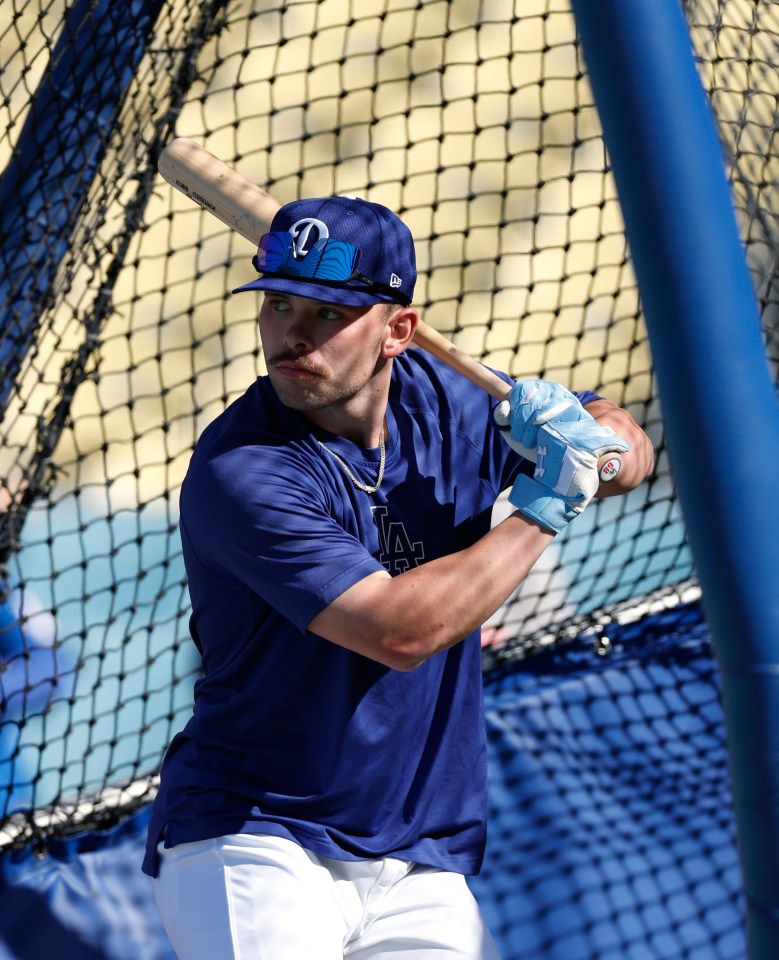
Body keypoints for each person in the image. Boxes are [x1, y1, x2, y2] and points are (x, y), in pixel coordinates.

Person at [143, 195, 653, 959]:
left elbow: (626, 457)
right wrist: (547, 503)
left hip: (419, 851)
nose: (292, 335)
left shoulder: (447, 400)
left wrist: (598, 441)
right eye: (278, 305)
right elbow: (399, 630)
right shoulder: (241, 468)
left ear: (398, 332)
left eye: (326, 313)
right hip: (257, 834)